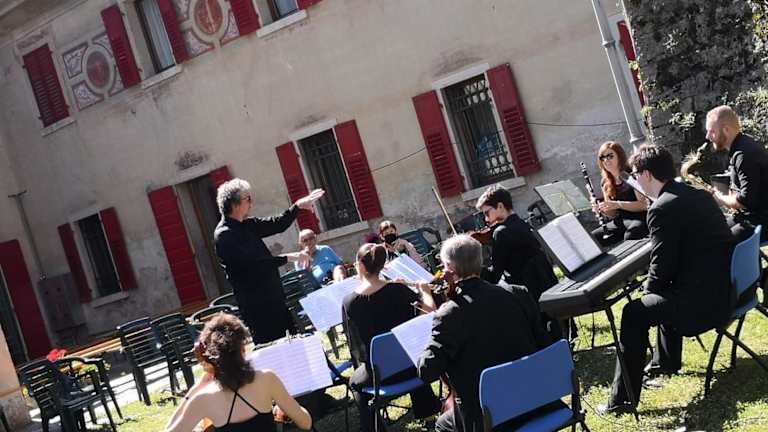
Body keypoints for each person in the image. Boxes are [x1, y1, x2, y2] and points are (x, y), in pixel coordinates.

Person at [598, 144, 734, 415]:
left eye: (635, 174)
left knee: (634, 312)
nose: (635, 179)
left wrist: (647, 293)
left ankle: (621, 401)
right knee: (662, 293)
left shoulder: (661, 208)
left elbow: (661, 268)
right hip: (728, 291)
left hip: (705, 307)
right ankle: (666, 363)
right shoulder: (698, 194)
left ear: (647, 174)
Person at [417, 235, 554, 432]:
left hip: (490, 417)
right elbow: (544, 343)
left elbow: (427, 371)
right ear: (480, 261)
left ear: (449, 268)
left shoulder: (449, 315)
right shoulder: (518, 293)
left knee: (442, 425)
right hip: (537, 399)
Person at [342, 243, 441, 432]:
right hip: (414, 366)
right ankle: (428, 412)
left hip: (381, 375)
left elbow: (355, 346)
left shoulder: (350, 302)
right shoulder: (398, 289)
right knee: (405, 349)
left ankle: (374, 429)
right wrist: (425, 292)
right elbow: (430, 314)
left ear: (361, 266)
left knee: (354, 382)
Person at [214, 178, 324, 344]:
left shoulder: (248, 224)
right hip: (257, 306)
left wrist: (298, 206)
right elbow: (255, 265)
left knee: (292, 343)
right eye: (248, 199)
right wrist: (289, 257)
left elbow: (278, 224)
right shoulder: (224, 235)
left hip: (275, 297)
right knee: (273, 349)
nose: (251, 203)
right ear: (235, 204)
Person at [164, 313, 312, 432]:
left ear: (210, 356)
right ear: (242, 347)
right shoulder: (267, 378)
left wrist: (194, 390)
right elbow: (305, 423)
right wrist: (286, 406)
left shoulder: (202, 399)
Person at [474, 184, 563, 338]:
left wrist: (472, 267)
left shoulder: (501, 233)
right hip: (544, 286)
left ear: (500, 206)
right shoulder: (523, 224)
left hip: (527, 296)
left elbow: (494, 276)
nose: (486, 219)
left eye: (487, 213)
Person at [706, 105, 768, 242]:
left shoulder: (743, 154)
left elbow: (746, 200)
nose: (708, 136)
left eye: (712, 131)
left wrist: (720, 199)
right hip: (751, 215)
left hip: (760, 219)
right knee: (711, 232)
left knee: (719, 242)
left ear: (726, 130)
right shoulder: (741, 146)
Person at [591, 141, 649, 246]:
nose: (606, 160)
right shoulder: (605, 182)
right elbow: (613, 214)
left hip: (641, 217)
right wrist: (601, 209)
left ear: (620, 156)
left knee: (631, 235)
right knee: (593, 238)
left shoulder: (631, 174)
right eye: (602, 158)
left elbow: (644, 205)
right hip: (622, 220)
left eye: (610, 156)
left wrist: (618, 204)